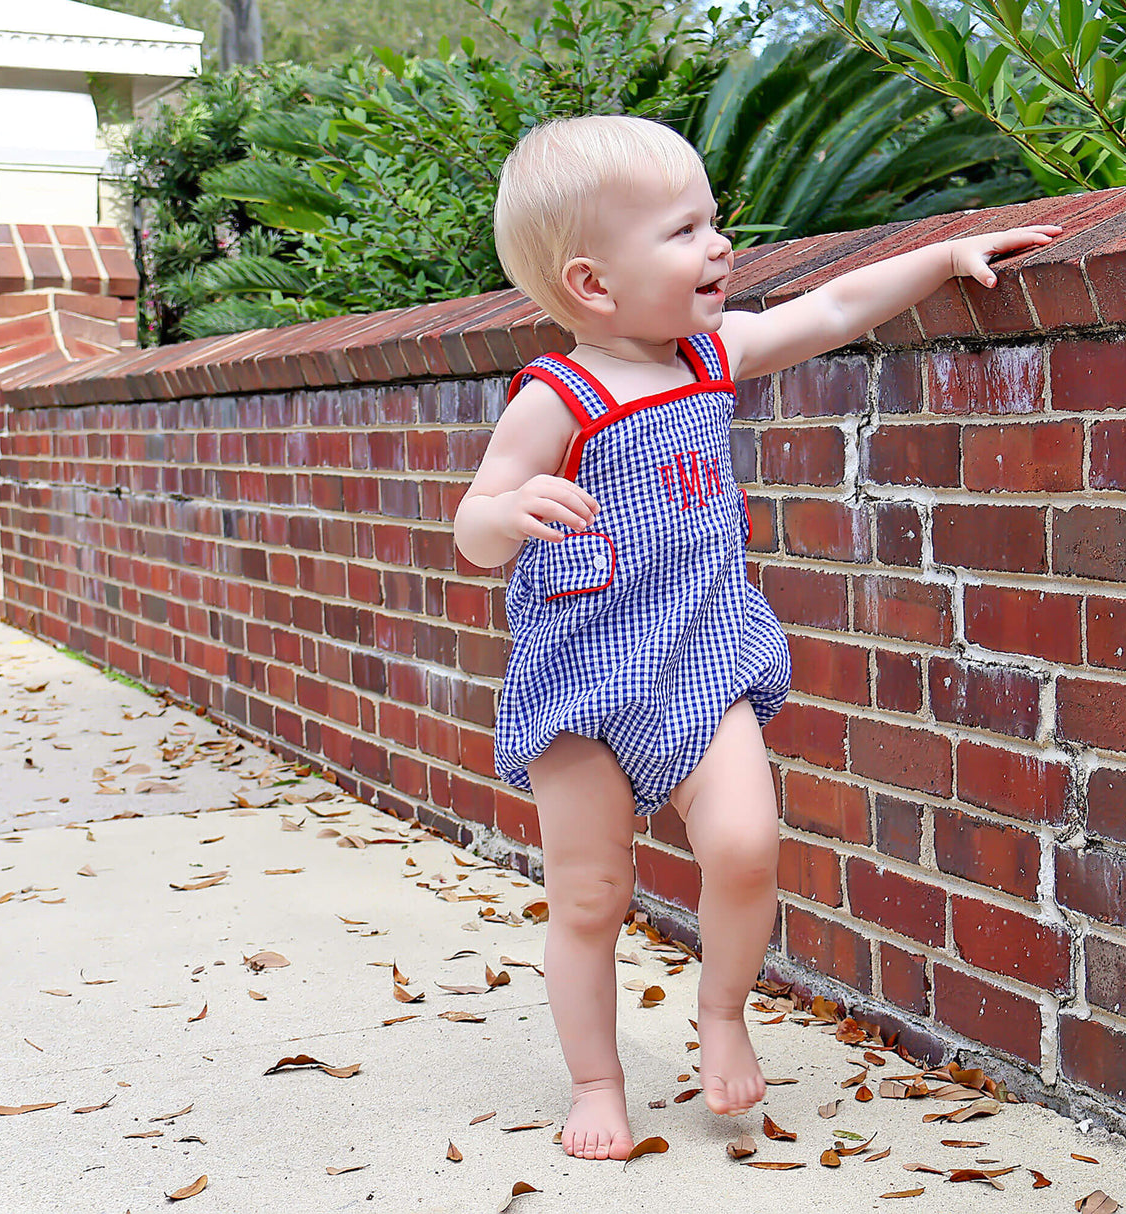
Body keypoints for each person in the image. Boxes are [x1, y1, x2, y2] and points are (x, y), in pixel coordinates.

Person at [453, 113, 1060, 1162]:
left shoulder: (709, 355)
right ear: (594, 286)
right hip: (584, 680)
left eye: (712, 221)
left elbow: (830, 307)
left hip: (699, 658)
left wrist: (943, 257)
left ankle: (722, 1007)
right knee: (590, 894)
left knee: (741, 844)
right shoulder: (557, 396)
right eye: (685, 231)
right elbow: (472, 520)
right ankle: (597, 1079)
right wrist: (505, 517)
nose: (719, 246)